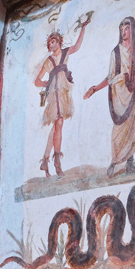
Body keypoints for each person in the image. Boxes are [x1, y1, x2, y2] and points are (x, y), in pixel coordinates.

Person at [84, 17, 135, 177]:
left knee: (133, 127)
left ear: (132, 28)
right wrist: (95, 89)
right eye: (121, 30)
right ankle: (114, 162)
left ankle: (130, 165)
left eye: (126, 28)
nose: (124, 32)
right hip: (120, 94)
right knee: (118, 130)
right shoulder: (115, 52)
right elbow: (110, 77)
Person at [34, 18, 88, 176]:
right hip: (54, 94)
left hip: (64, 93)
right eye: (49, 43)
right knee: (59, 123)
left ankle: (45, 160)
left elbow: (77, 46)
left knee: (57, 126)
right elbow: (37, 81)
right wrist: (46, 83)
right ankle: (57, 162)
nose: (51, 45)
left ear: (59, 41)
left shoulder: (65, 53)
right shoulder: (49, 61)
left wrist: (83, 28)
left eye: (53, 42)